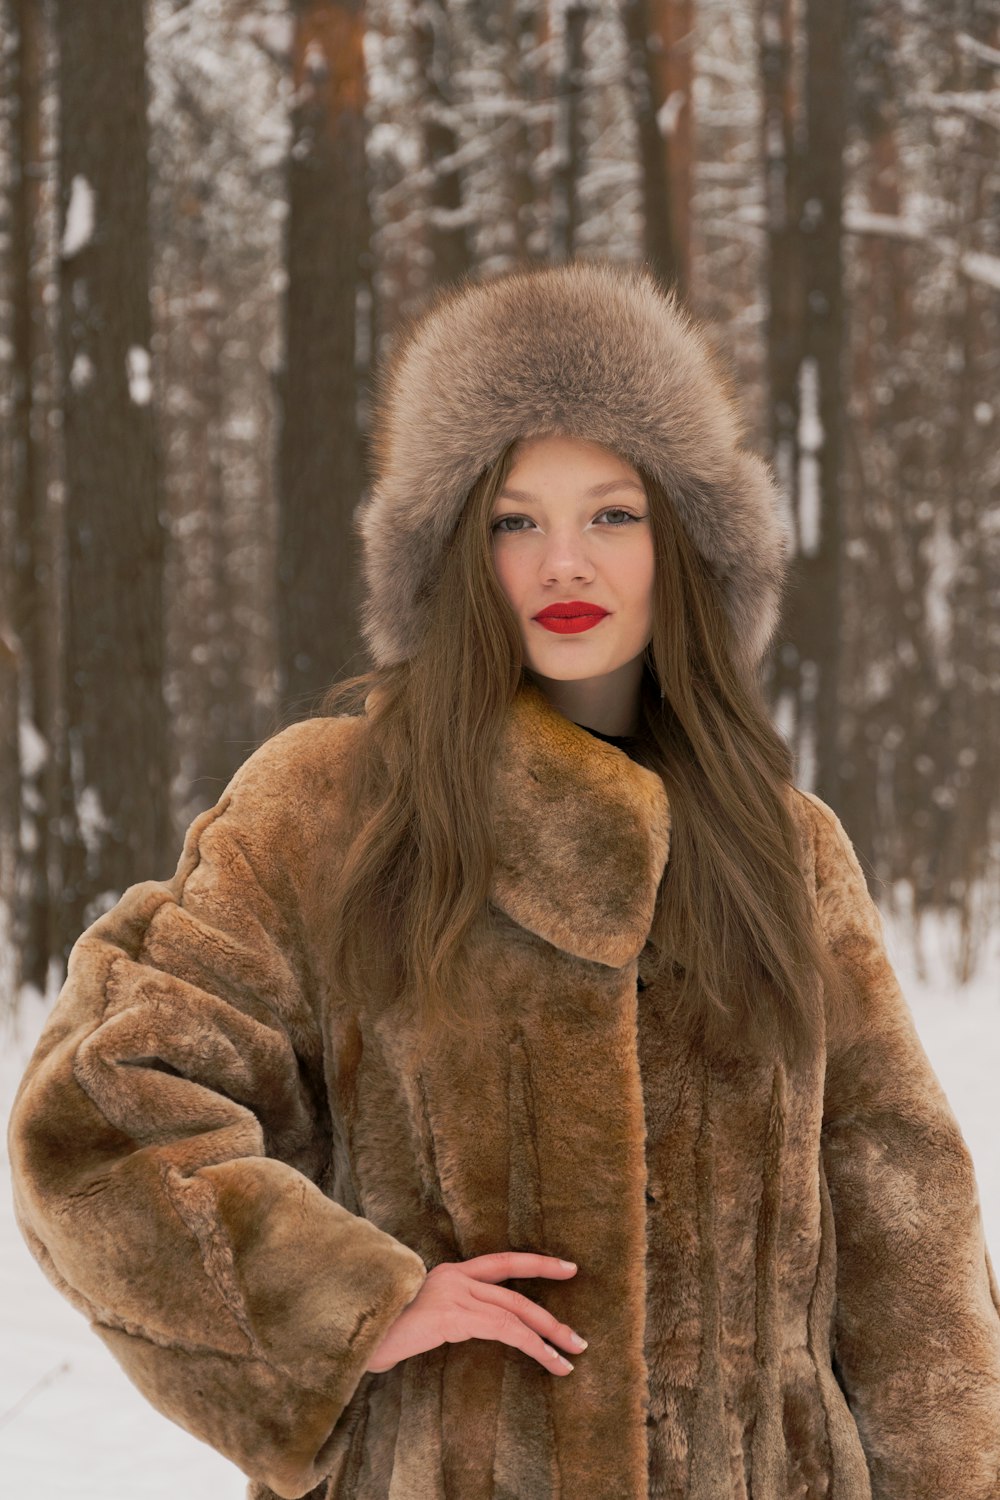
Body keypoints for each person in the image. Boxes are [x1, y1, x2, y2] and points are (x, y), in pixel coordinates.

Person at [8, 258, 1000, 1500]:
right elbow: (99, 1118)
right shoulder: (330, 803)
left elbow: (910, 1245)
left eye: (612, 514)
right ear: (452, 556)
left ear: (684, 543)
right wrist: (356, 1303)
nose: (563, 563)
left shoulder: (783, 844)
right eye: (513, 520)